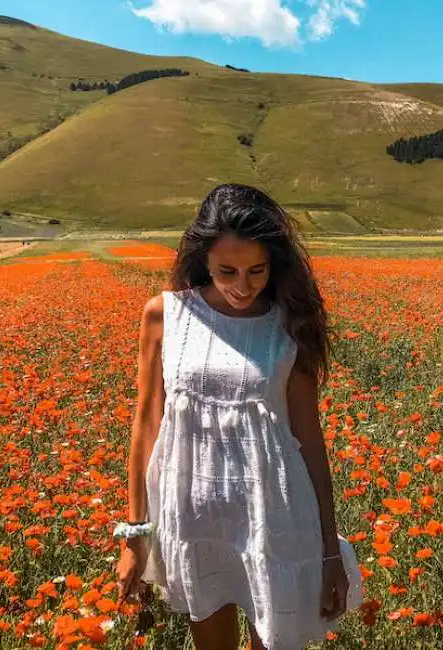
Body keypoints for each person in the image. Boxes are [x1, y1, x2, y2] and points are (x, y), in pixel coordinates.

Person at [115, 184, 362, 650]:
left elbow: (309, 437)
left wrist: (329, 546)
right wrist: (135, 535)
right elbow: (146, 426)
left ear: (275, 265)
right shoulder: (164, 316)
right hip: (192, 520)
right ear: (202, 259)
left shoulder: (289, 325)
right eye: (227, 270)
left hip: (273, 519)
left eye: (257, 270)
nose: (243, 286)